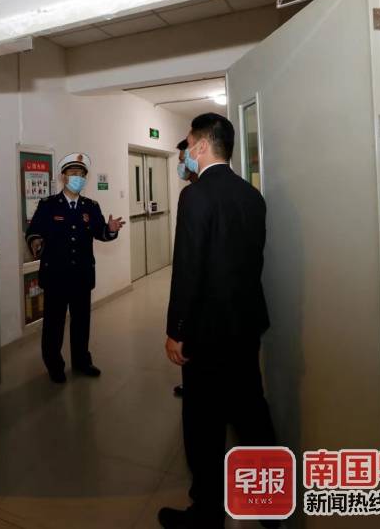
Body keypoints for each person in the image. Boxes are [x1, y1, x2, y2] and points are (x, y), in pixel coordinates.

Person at [159, 113, 278, 529]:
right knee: (251, 414)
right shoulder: (252, 196)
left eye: (189, 143)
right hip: (245, 325)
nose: (187, 152)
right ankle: (271, 508)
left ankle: (206, 513)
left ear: (202, 145)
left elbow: (188, 270)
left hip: (207, 332)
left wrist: (176, 330)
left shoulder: (195, 196)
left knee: (204, 424)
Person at [26, 153, 124, 383]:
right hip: (56, 276)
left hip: (81, 275)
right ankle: (54, 365)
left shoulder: (91, 206)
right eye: (73, 173)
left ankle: (82, 362)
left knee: (81, 322)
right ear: (64, 177)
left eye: (81, 174)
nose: (77, 177)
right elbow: (33, 232)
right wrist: (36, 242)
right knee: (54, 324)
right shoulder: (48, 205)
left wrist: (110, 229)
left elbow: (100, 232)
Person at [172, 139, 198, 399]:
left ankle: (195, 389)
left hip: (199, 298)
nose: (180, 166)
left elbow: (187, 264)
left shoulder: (192, 196)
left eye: (182, 160)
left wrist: (175, 329)